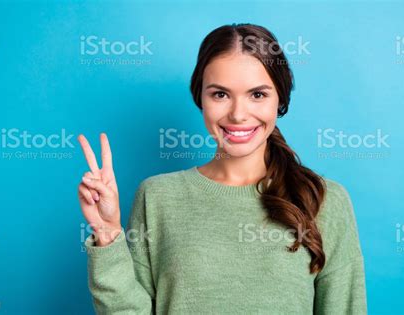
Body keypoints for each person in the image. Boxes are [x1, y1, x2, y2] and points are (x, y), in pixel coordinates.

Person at [77, 23, 367, 314]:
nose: (238, 114)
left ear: (280, 99)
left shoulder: (322, 199)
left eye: (257, 95)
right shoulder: (157, 196)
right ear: (200, 98)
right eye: (220, 94)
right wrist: (107, 233)